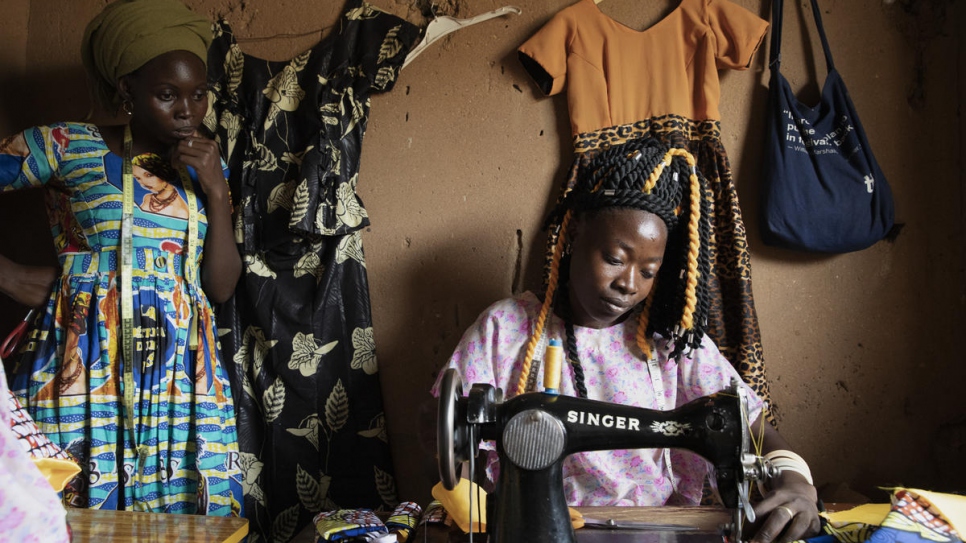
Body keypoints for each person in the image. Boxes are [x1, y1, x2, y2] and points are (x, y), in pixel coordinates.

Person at [433, 139, 820, 543]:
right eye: (615, 259)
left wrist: (797, 483)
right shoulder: (504, 329)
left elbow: (752, 429)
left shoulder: (672, 343)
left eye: (649, 271)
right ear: (575, 234)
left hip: (654, 529)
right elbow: (448, 437)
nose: (628, 285)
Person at [0, 0, 243, 515]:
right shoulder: (69, 145)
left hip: (183, 378)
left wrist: (218, 194)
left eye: (198, 95)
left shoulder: (204, 166)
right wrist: (11, 275)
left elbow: (219, 288)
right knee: (64, 516)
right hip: (82, 370)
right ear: (126, 92)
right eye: (166, 94)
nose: (187, 111)